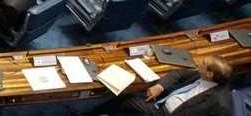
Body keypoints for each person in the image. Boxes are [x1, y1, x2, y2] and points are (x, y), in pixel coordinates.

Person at [88, 55, 233, 116]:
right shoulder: (202, 75)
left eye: (203, 64)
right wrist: (160, 87)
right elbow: (178, 73)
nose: (198, 63)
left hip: (164, 113)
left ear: (210, 74)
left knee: (126, 99)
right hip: (162, 98)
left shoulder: (220, 103)